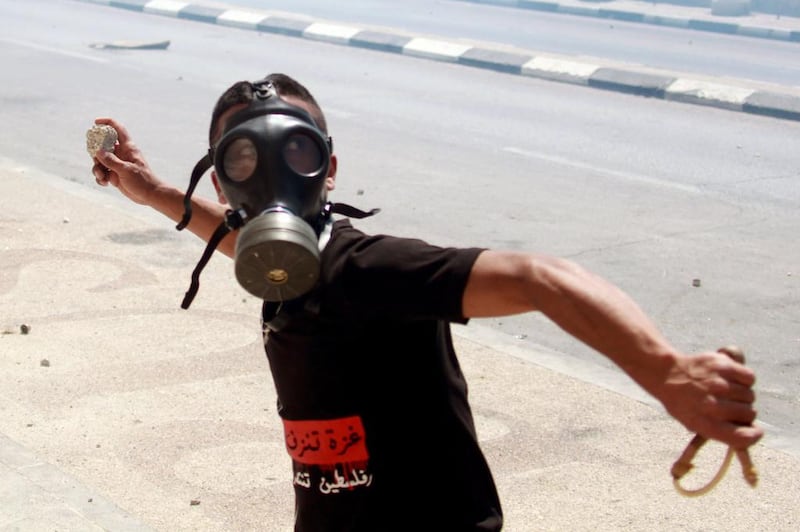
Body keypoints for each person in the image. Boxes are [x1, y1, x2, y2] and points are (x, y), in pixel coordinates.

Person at [91, 73, 763, 531]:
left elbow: (540, 278)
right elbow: (251, 248)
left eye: (293, 150)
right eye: (244, 159)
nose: (268, 177)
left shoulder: (366, 268)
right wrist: (153, 194)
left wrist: (666, 371)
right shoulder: (294, 263)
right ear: (220, 174)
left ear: (329, 166)